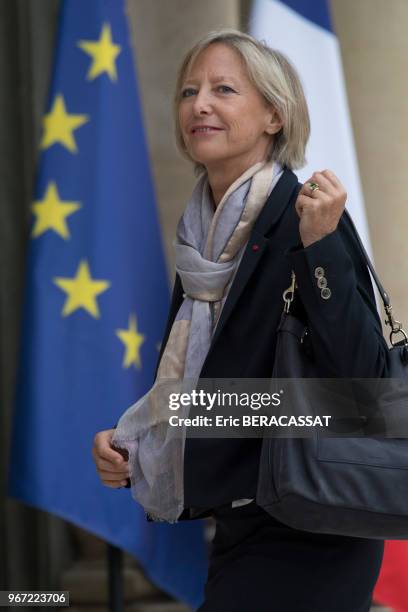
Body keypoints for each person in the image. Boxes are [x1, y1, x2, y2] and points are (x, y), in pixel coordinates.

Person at [92, 29, 388, 611]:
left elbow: (365, 381)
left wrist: (321, 248)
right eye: (188, 91)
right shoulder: (202, 240)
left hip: (316, 523)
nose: (198, 104)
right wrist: (135, 444)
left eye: (223, 89)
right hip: (240, 524)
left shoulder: (306, 217)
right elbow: (218, 381)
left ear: (274, 115)